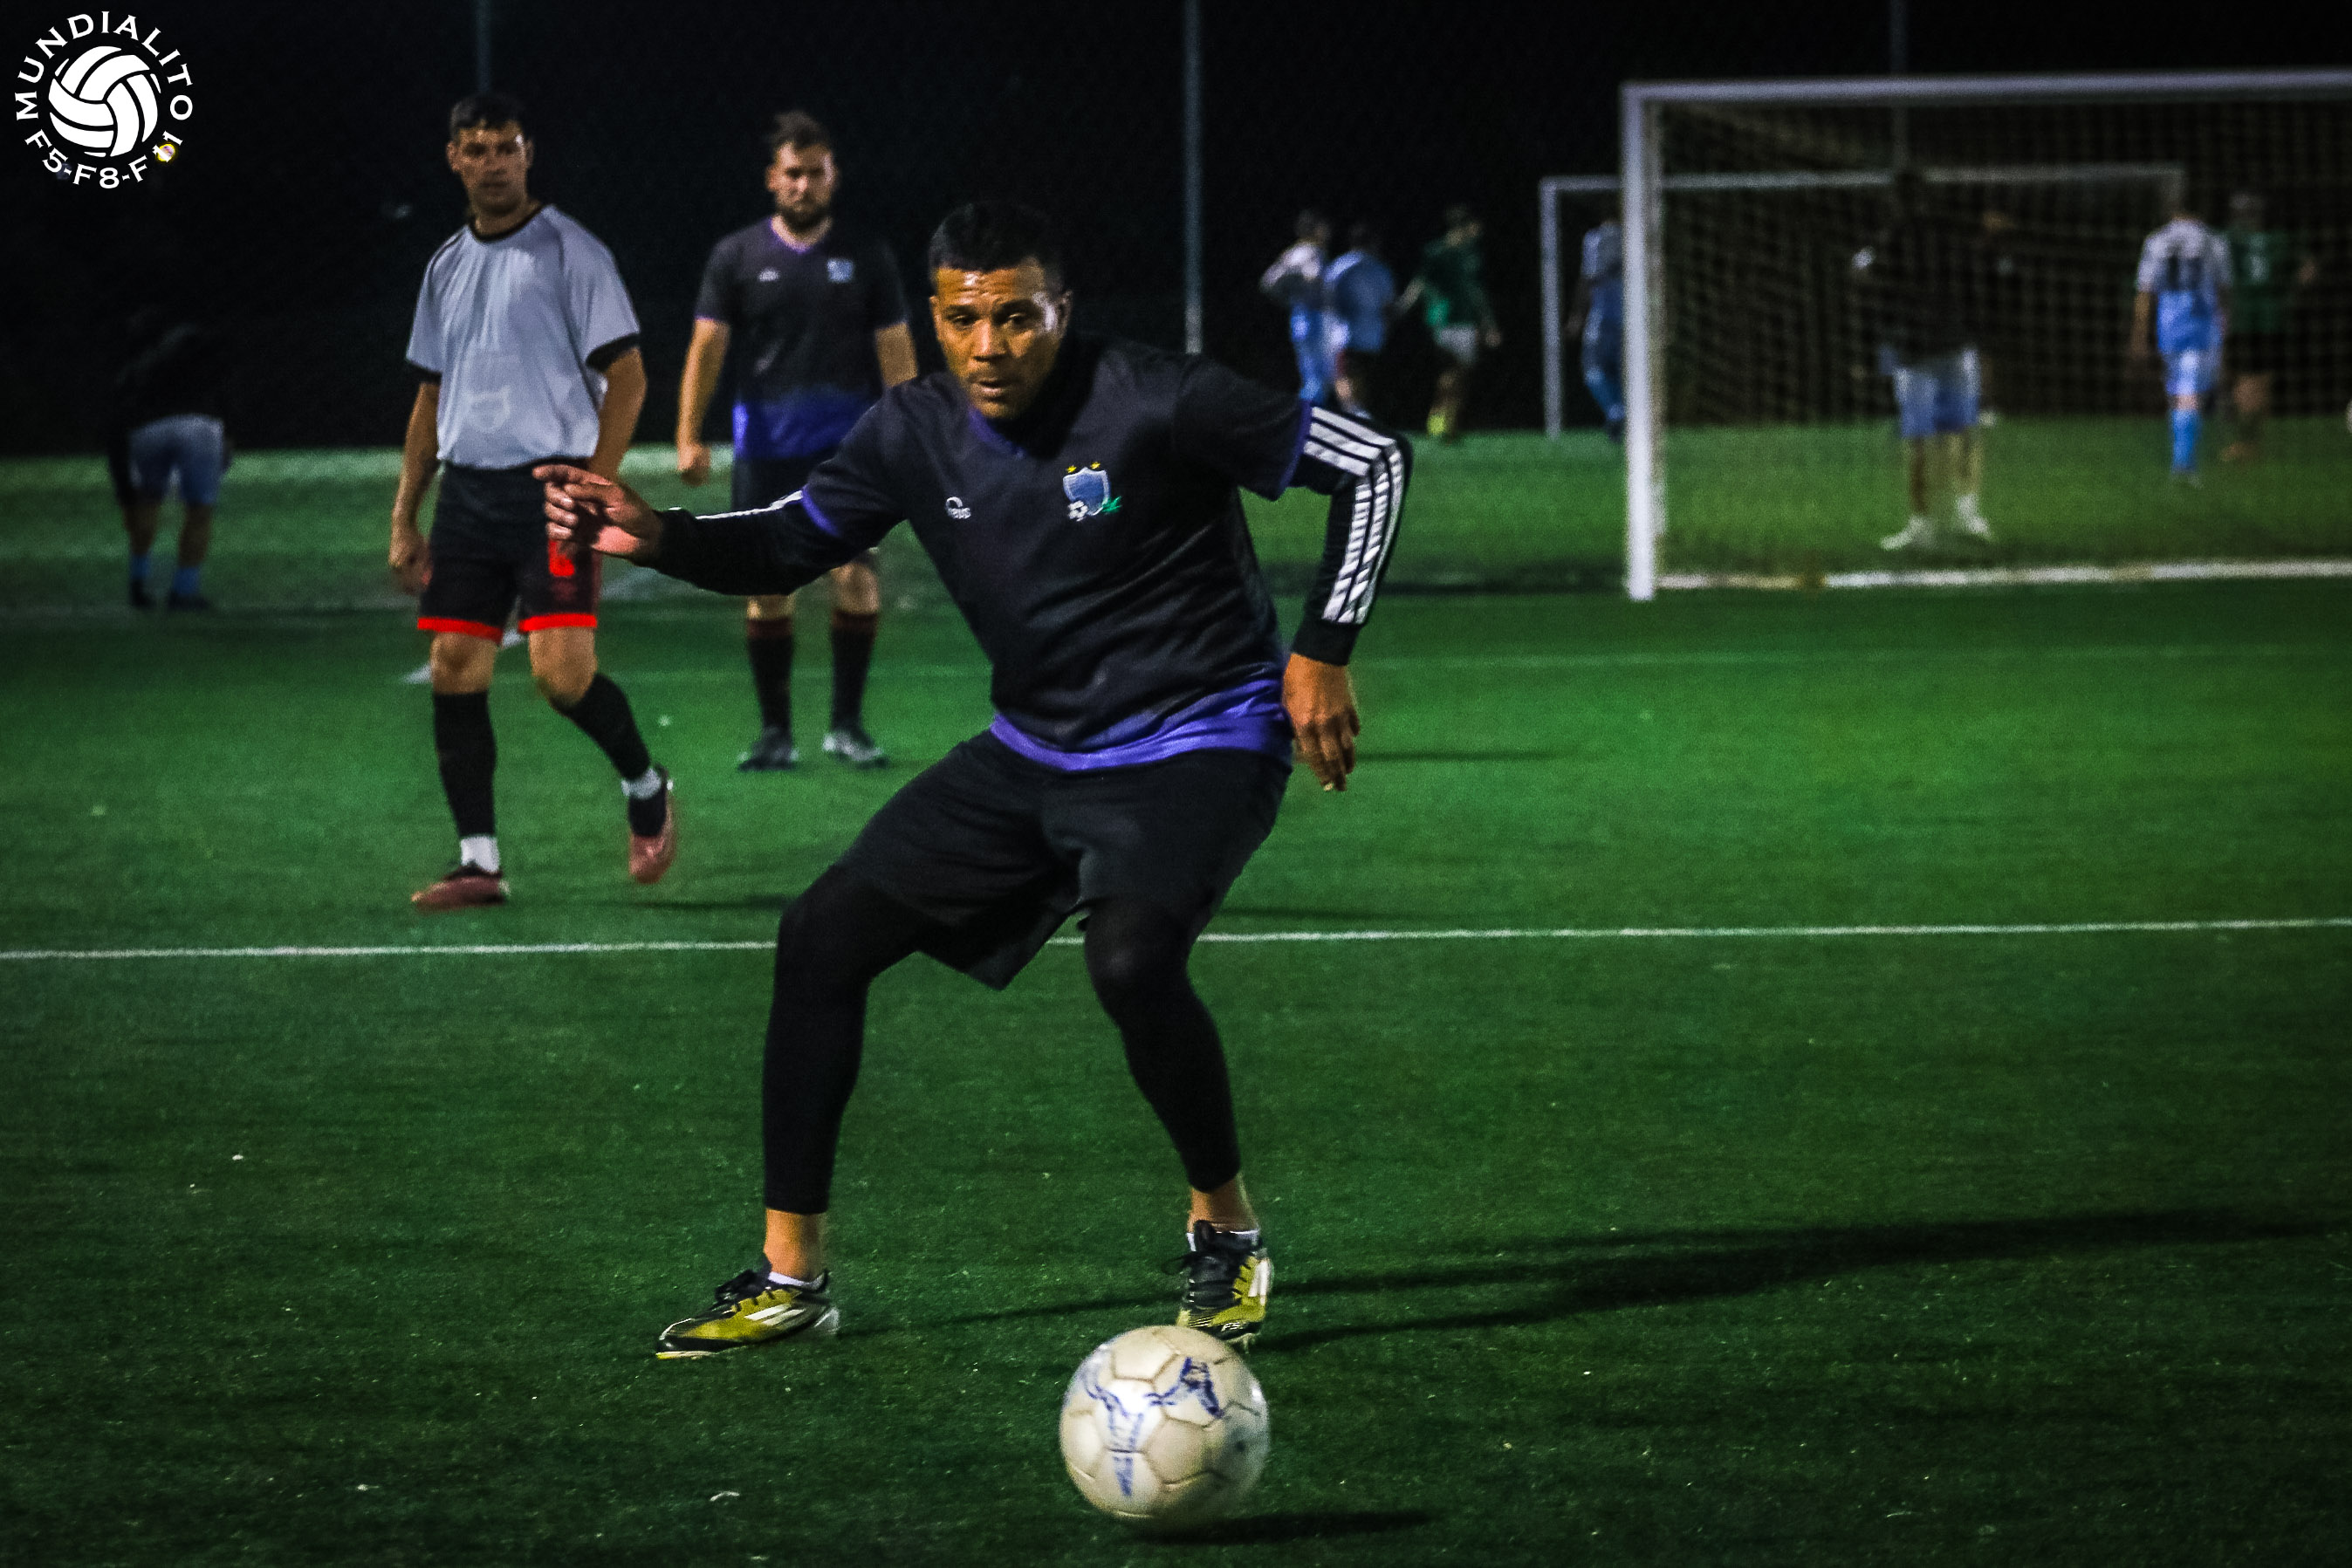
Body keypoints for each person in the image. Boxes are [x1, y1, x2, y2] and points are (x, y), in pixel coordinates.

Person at [537, 201, 1410, 1359]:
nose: (987, 346)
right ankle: (792, 1277)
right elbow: (791, 539)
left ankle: (1225, 1228)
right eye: (962, 319)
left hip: (1198, 737)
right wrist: (656, 532)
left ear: (1062, 312)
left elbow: (1372, 462)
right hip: (1035, 747)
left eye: (1015, 317)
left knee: (1131, 959)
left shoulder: (1158, 396)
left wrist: (1322, 649)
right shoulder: (912, 429)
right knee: (820, 937)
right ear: (936, 319)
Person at [390, 92, 674, 910]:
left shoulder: (571, 252)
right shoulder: (445, 264)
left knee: (561, 677)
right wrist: (406, 513)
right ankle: (478, 862)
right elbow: (430, 396)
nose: (493, 164)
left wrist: (595, 482)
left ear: (528, 154)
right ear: (454, 159)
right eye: (476, 150)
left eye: (506, 148)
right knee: (454, 666)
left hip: (553, 488)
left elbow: (628, 377)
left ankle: (645, 783)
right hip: (468, 494)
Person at [678, 110, 916, 771]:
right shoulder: (736, 256)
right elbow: (707, 347)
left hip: (847, 450)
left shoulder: (867, 255)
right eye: (793, 173)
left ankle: (847, 727)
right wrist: (688, 433)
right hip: (765, 450)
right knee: (767, 586)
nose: (804, 185)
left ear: (833, 177)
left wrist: (910, 432)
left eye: (815, 173)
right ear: (771, 179)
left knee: (855, 579)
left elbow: (895, 348)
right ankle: (775, 733)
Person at [1855, 170, 1993, 549]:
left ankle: (1922, 524)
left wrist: (1865, 272)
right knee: (1964, 431)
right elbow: (1972, 279)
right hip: (1953, 343)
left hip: (1915, 349)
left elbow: (1871, 280)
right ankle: (1967, 513)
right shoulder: (1950, 233)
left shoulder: (1891, 239)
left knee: (1918, 439)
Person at [107, 307, 232, 610]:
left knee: (147, 503)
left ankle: (139, 583)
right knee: (199, 512)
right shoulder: (196, 345)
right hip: (197, 423)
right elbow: (222, 382)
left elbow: (117, 409)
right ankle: (184, 591)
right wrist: (227, 432)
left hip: (148, 427)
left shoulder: (136, 364)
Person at [2130, 200, 2232, 483]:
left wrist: (2138, 336)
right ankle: (2184, 463)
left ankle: (2184, 457)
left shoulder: (2156, 241)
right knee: (2191, 392)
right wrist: (2226, 329)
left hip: (2169, 325)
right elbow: (2224, 291)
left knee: (2180, 391)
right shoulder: (2214, 241)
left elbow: (2145, 293)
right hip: (2202, 323)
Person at [2219, 190, 2318, 463]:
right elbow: (2309, 269)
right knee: (2263, 378)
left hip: (2244, 316)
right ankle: (2258, 441)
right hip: (2274, 317)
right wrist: (2289, 294)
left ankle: (2244, 443)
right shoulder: (2279, 239)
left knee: (2244, 378)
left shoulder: (2230, 238)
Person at [1395, 205, 1499, 442]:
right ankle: (1439, 420)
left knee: (1460, 375)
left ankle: (1447, 423)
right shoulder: (1436, 252)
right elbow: (1421, 282)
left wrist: (1488, 324)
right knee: (1452, 370)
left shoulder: (1471, 254)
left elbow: (1477, 292)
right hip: (1443, 320)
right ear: (1463, 226)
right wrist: (1404, 305)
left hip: (1467, 322)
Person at [1258, 209, 1334, 406]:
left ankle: (1301, 414)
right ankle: (1303, 416)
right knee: (1319, 378)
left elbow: (1268, 282)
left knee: (1310, 375)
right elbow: (1314, 276)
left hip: (1298, 316)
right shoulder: (1313, 251)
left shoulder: (1292, 252)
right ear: (1316, 229)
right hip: (1315, 317)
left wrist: (1290, 298)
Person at [1323, 221, 1395, 417]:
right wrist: (1385, 330)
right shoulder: (1380, 270)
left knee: (1342, 376)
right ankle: (1359, 416)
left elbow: (1326, 300)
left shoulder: (1340, 267)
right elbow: (1388, 307)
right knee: (1362, 379)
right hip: (1373, 336)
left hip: (1345, 334)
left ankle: (1355, 415)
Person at [1569, 202, 1625, 442]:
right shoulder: (1638, 237)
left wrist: (1577, 315)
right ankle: (1624, 414)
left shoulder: (1596, 239)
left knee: (1592, 369)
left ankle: (1616, 410)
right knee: (1625, 371)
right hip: (1634, 318)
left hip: (1603, 317)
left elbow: (1588, 279)